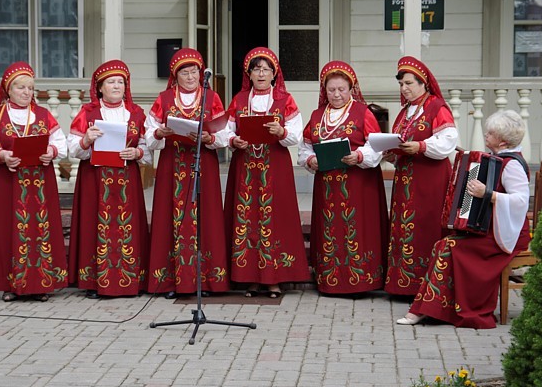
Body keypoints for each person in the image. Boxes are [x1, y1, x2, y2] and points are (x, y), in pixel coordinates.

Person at [397, 110, 531, 328]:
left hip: (508, 233)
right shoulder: (497, 160)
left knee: (449, 246)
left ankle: (433, 310)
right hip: (491, 228)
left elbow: (520, 201)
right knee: (445, 243)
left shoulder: (512, 164)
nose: (486, 135)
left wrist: (487, 194)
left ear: (504, 142)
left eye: (491, 133)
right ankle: (429, 309)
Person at [0, 62, 68, 302]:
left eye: (30, 88)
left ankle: (41, 284)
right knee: (9, 229)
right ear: (8, 89)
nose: (26, 92)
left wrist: (52, 151)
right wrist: (3, 155)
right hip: (10, 183)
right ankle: (11, 285)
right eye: (20, 87)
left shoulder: (43, 115)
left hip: (40, 184)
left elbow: (62, 143)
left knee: (40, 230)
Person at [224, 47, 311, 299]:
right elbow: (225, 131)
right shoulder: (239, 100)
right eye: (256, 69)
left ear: (274, 74)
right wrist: (233, 141)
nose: (261, 73)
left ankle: (275, 279)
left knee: (275, 219)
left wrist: (281, 132)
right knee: (247, 219)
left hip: (275, 167)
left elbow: (296, 134)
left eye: (266, 69)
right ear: (249, 74)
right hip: (245, 169)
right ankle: (249, 277)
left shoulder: (286, 100)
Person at [144, 48, 230, 299]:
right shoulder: (164, 98)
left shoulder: (211, 97)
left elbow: (224, 134)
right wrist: (159, 134)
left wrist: (209, 136)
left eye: (194, 71)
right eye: (185, 72)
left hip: (203, 163)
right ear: (175, 75)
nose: (191, 77)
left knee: (206, 216)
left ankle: (208, 280)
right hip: (173, 165)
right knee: (172, 219)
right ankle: (173, 280)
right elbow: (148, 134)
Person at [298, 61, 388, 296]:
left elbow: (376, 146)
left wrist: (359, 155)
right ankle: (330, 280)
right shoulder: (318, 116)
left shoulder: (363, 113)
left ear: (351, 89)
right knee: (331, 231)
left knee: (356, 229)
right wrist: (310, 160)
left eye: (341, 89)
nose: (336, 95)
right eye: (331, 90)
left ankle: (360, 281)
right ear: (324, 90)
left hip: (357, 186)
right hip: (327, 188)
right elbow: (305, 147)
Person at [67, 60, 151, 299]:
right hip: (96, 179)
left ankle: (130, 281)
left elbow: (147, 147)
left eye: (121, 82)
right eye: (111, 82)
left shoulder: (136, 114)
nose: (116, 86)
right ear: (100, 87)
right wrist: (86, 140)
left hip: (126, 180)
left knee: (127, 228)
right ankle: (95, 282)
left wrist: (137, 153)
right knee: (96, 226)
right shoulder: (88, 113)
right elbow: (72, 148)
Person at [384, 56, 458, 296]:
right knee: (405, 229)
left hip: (430, 180)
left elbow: (447, 142)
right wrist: (390, 153)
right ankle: (403, 284)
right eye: (401, 84)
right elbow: (401, 141)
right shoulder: (405, 112)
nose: (404, 89)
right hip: (406, 181)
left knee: (425, 228)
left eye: (409, 83)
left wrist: (421, 147)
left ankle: (428, 287)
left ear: (423, 82)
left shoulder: (437, 107)